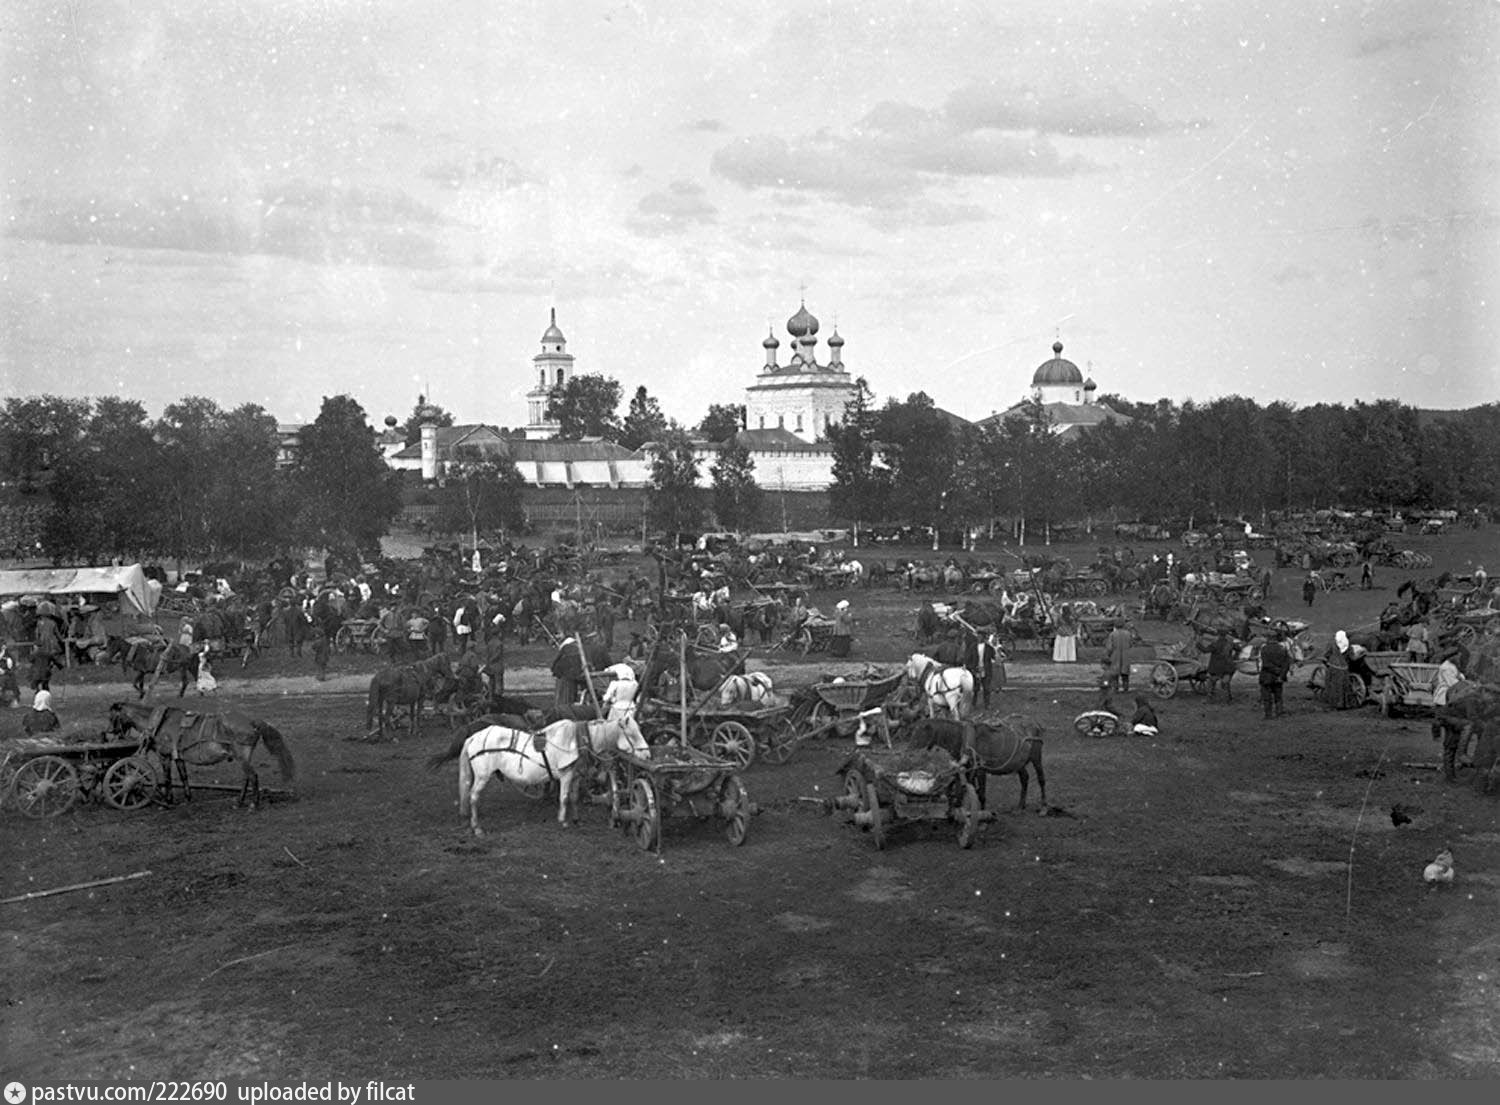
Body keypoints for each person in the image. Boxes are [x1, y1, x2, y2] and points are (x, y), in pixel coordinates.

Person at [1319, 630, 1362, 709]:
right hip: (1344, 669)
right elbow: (1352, 657)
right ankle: (1344, 704)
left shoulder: (1333, 645)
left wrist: (1326, 659)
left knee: (1334, 686)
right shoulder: (1348, 645)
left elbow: (1327, 654)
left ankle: (1335, 703)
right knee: (1344, 687)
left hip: (1334, 668)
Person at [1258, 629, 1292, 719]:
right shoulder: (1282, 649)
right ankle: (1279, 713)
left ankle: (1268, 715)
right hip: (1278, 678)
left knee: (1267, 698)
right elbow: (1286, 664)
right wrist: (1281, 675)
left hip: (1267, 677)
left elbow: (1265, 664)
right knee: (1278, 697)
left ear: (1268, 638)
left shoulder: (1264, 649)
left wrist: (1275, 670)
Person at [1202, 627, 1239, 704]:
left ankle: (1209, 698)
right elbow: (1239, 648)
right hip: (1228, 668)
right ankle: (1228, 699)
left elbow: (1205, 650)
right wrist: (1234, 657)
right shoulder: (1230, 643)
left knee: (1211, 682)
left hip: (1216, 668)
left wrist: (1198, 644)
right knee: (1226, 683)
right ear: (1226, 635)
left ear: (1218, 635)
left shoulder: (1215, 644)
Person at [1103, 620, 1135, 693]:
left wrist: (1107, 655)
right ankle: (1125, 688)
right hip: (1126, 655)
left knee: (1115, 674)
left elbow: (1109, 647)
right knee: (1125, 674)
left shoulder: (1112, 635)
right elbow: (1131, 644)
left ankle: (1115, 688)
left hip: (1115, 655)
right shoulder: (1128, 634)